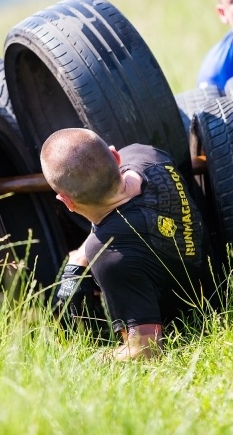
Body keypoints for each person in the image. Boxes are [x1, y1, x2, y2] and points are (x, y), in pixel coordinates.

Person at [40, 128, 212, 361]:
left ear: (66, 202)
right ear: (115, 156)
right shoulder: (147, 155)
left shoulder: (111, 257)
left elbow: (146, 350)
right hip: (208, 269)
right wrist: (83, 255)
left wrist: (81, 360)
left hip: (201, 318)